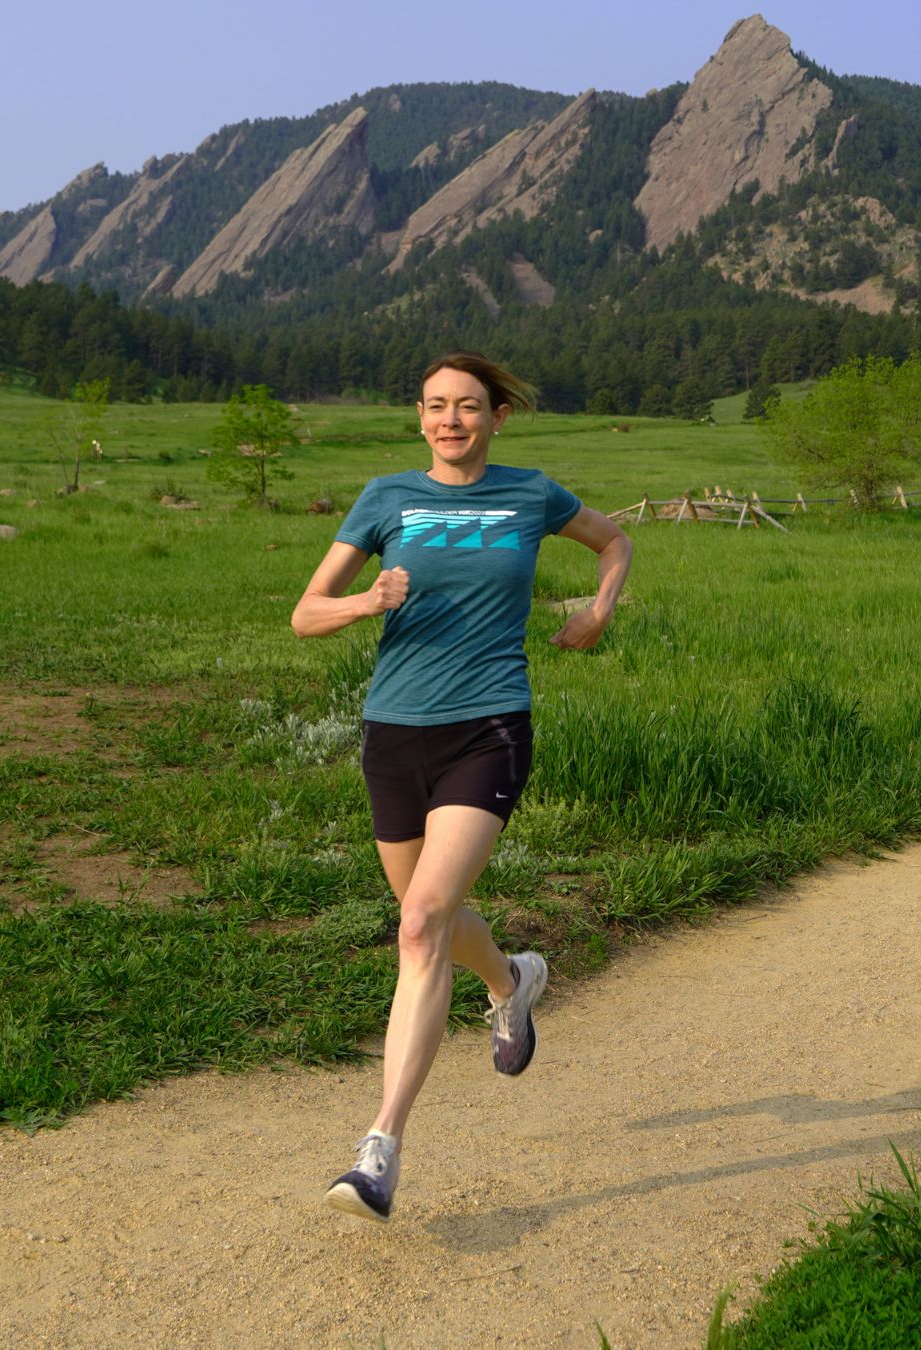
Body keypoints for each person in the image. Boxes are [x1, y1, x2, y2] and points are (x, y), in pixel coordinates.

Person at [292, 350, 632, 1223]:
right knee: (432, 919)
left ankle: (381, 1148)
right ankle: (512, 981)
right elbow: (305, 614)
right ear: (419, 417)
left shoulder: (532, 494)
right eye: (438, 406)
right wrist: (368, 602)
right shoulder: (384, 500)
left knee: (419, 921)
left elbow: (615, 541)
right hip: (395, 734)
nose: (453, 420)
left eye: (470, 406)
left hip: (490, 728)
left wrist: (598, 611)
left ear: (496, 418)